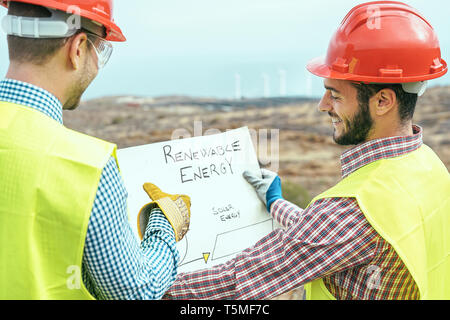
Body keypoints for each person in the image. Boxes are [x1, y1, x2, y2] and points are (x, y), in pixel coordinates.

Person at [164, 1, 450, 300]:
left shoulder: (350, 212)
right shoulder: (429, 167)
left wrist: (142, 288)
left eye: (335, 95)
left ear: (383, 101)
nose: (323, 105)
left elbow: (240, 278)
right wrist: (276, 202)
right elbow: (336, 238)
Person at [0, 0, 190, 300]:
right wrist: (163, 224)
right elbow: (137, 292)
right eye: (99, 49)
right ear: (77, 49)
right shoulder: (87, 167)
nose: (97, 63)